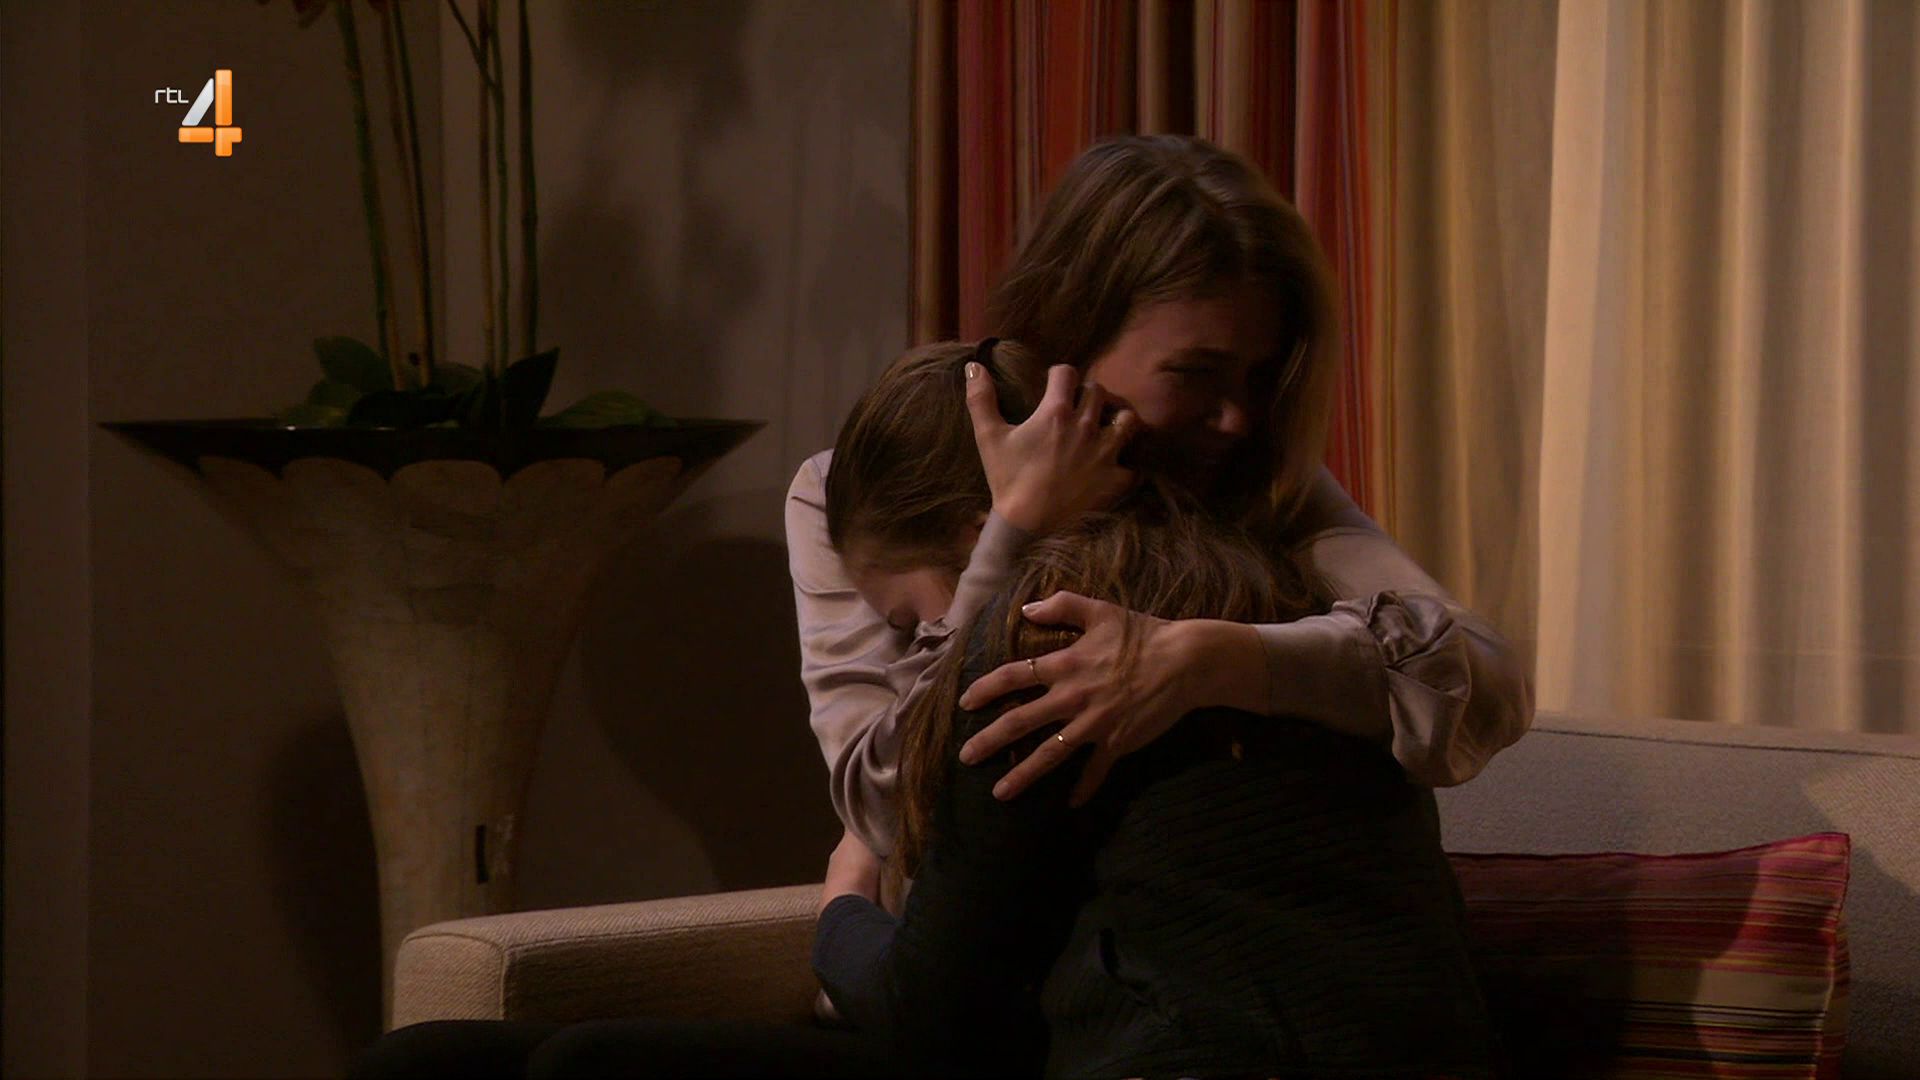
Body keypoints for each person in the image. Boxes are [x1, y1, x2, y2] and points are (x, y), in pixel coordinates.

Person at [786, 134, 1534, 879]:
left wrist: (1207, 660)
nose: (1237, 418)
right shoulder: (852, 499)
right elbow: (885, 812)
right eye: (1195, 372)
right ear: (1071, 337)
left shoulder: (1262, 483)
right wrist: (1016, 530)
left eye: (1261, 376)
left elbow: (1484, 680)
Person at [807, 341, 1498, 1077]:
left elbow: (932, 1017)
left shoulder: (1047, 645)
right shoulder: (1291, 592)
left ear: (982, 539)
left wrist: (841, 901)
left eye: (916, 623)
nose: (926, 650)